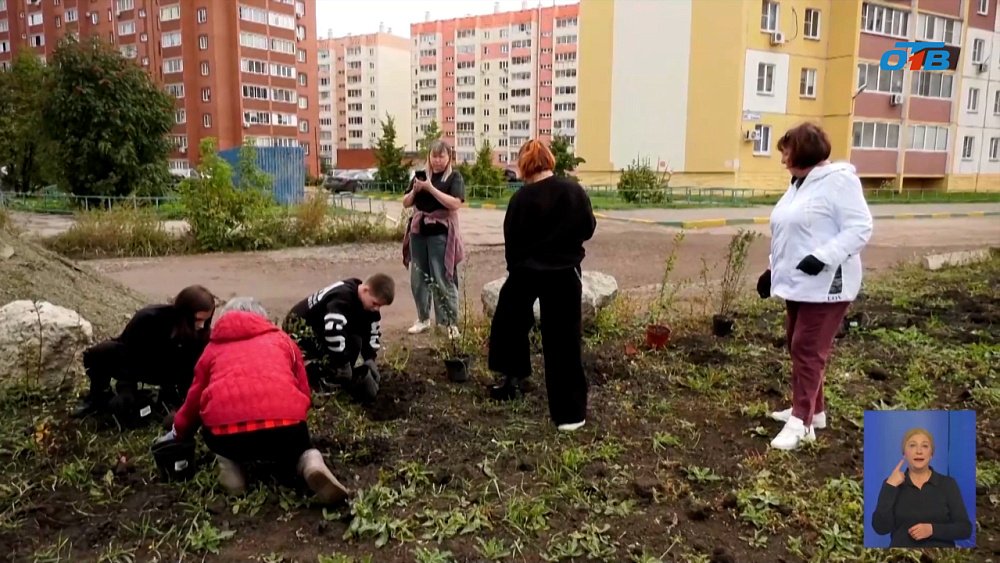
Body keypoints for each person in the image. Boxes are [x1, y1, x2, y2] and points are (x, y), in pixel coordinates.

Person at [154, 297, 350, 504]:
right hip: (285, 429)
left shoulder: (211, 350)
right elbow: (303, 389)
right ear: (262, 318)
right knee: (300, 446)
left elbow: (194, 400)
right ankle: (309, 462)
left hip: (227, 436)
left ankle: (231, 468)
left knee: (220, 441)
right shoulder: (283, 341)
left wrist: (178, 431)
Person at [757, 122, 874, 450]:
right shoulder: (799, 184)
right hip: (797, 282)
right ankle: (814, 412)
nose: (782, 159)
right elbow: (789, 234)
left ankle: (801, 424)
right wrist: (771, 271)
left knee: (808, 349)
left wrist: (824, 257)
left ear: (804, 151)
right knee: (798, 346)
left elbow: (860, 228)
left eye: (786, 151)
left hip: (827, 284)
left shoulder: (839, 182)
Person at [486, 139, 597, 432]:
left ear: (524, 166)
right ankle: (570, 415)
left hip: (527, 271)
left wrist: (519, 269)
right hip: (564, 273)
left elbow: (512, 243)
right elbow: (588, 228)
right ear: (550, 160)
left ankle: (512, 378)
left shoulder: (519, 200)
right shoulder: (573, 190)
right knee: (564, 341)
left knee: (508, 322)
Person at [72, 285, 217, 419]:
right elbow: (126, 353)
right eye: (198, 319)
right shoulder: (148, 318)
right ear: (184, 313)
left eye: (206, 320)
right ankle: (97, 397)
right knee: (99, 353)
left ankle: (168, 400)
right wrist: (126, 388)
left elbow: (194, 371)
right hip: (139, 364)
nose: (202, 325)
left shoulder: (203, 334)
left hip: (172, 373)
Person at [282, 274, 394, 401]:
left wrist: (370, 358)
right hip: (300, 331)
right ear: (365, 290)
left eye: (380, 306)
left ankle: (339, 375)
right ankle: (320, 382)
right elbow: (333, 331)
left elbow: (372, 331)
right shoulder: (342, 299)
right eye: (375, 303)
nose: (376, 308)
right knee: (329, 355)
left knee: (355, 341)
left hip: (321, 329)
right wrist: (342, 363)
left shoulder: (368, 305)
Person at [401, 140, 466, 338]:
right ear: (429, 156)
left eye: (442, 156)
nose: (437, 160)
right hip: (419, 232)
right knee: (418, 277)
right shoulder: (420, 176)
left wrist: (430, 189)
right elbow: (406, 203)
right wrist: (416, 189)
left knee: (442, 276)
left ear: (449, 158)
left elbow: (455, 203)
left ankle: (449, 322)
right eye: (434, 156)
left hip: (441, 233)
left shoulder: (454, 177)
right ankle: (423, 318)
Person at [871, 428, 972, 547]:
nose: (919, 451)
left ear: (931, 454)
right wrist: (890, 487)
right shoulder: (891, 484)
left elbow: (965, 529)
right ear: (904, 453)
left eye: (925, 446)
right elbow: (880, 528)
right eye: (912, 445)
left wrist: (932, 530)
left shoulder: (947, 484)